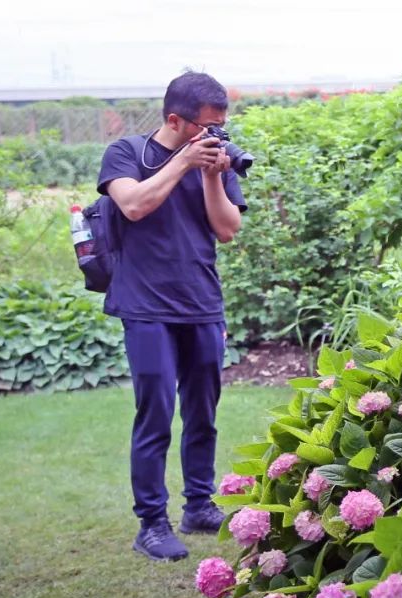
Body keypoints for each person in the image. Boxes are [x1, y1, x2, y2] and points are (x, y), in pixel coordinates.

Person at [98, 71, 247, 561]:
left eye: (221, 126)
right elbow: (135, 205)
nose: (214, 136)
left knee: (203, 412)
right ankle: (152, 523)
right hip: (145, 306)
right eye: (206, 127)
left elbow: (227, 230)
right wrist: (183, 163)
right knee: (156, 412)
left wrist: (209, 175)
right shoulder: (127, 154)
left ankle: (199, 506)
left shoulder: (211, 161)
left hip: (202, 302)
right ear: (175, 120)